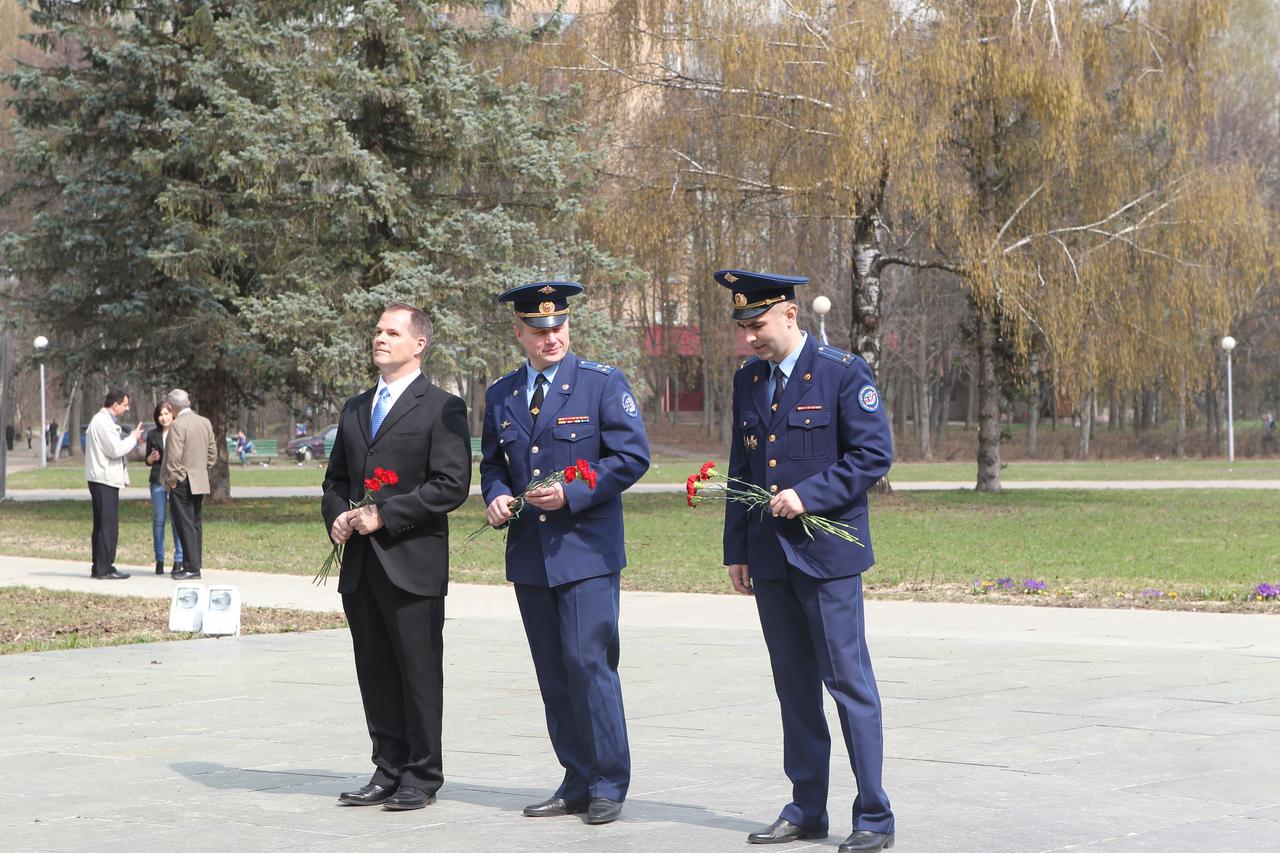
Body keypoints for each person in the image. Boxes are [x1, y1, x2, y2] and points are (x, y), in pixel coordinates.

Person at [717, 270, 895, 853]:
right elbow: (742, 466)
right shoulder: (749, 379)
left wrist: (809, 496)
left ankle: (874, 815)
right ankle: (806, 807)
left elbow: (874, 454)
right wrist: (737, 550)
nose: (749, 339)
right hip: (769, 558)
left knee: (848, 686)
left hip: (827, 556)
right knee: (793, 688)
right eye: (742, 327)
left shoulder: (843, 372)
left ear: (789, 314)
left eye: (758, 325)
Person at [480, 282, 650, 826]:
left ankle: (608, 781)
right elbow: (493, 462)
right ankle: (576, 778)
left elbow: (631, 456)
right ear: (520, 333)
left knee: (588, 664)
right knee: (554, 673)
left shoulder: (600, 384)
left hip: (585, 552)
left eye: (558, 328)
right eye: (538, 330)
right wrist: (495, 496)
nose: (551, 338)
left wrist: (575, 492)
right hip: (531, 554)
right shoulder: (502, 393)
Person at [322, 301, 471, 812]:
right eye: (376, 331)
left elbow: (451, 485)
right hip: (362, 565)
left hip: (413, 563)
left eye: (391, 332)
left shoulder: (442, 406)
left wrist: (385, 514)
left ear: (419, 344)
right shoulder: (355, 408)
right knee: (376, 670)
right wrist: (339, 515)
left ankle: (422, 775)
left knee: (418, 672)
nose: (379, 338)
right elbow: (336, 479)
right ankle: (387, 768)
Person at [84, 390, 145, 580]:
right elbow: (115, 450)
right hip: (104, 479)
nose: (127, 408)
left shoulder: (103, 421)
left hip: (102, 478)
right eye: (125, 405)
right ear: (115, 404)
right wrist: (134, 437)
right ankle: (104, 568)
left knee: (104, 524)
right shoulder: (102, 422)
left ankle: (101, 566)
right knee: (107, 525)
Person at [161, 389, 217, 581]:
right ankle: (194, 562)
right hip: (199, 479)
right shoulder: (204, 422)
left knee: (184, 525)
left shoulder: (177, 425)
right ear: (188, 402)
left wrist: (172, 480)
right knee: (194, 524)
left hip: (182, 481)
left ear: (172, 406)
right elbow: (212, 454)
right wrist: (202, 469)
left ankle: (191, 567)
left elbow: (174, 457)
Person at [145, 403, 185, 575]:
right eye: (161, 414)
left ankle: (179, 559)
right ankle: (159, 559)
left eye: (167, 413)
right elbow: (147, 461)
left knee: (177, 520)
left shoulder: (179, 431)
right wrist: (151, 458)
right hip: (157, 481)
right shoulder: (153, 435)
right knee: (159, 520)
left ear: (173, 415)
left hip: (175, 481)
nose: (164, 417)